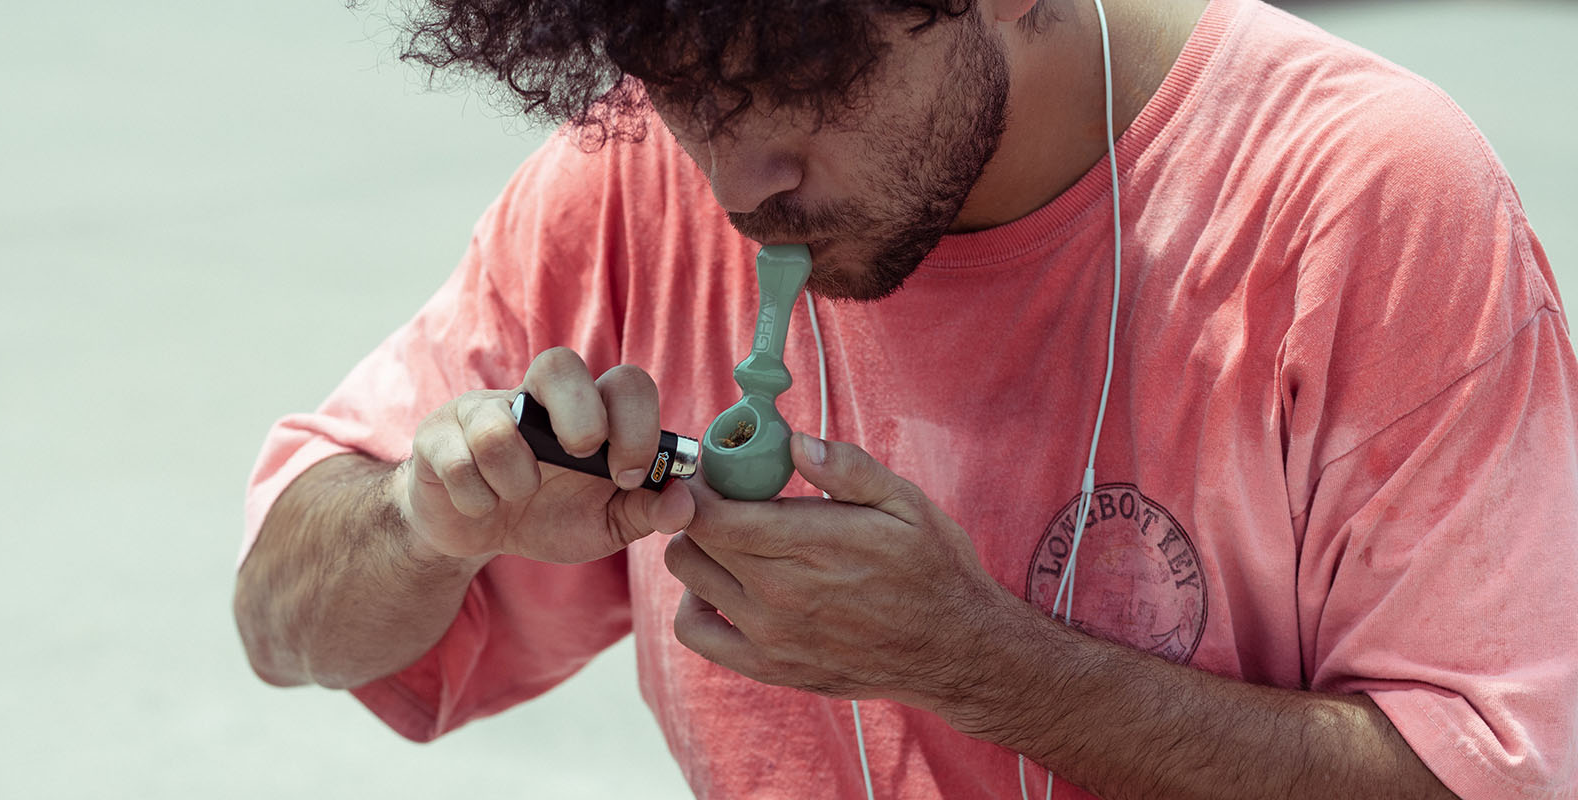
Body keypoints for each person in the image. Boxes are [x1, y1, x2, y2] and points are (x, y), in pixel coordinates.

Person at [233, 0, 1578, 796]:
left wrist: (976, 662)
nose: (738, 181)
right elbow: (284, 626)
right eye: (694, 95)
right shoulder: (633, 178)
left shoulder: (1360, 200)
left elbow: (1503, 776)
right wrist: (425, 515)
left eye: (811, 84)